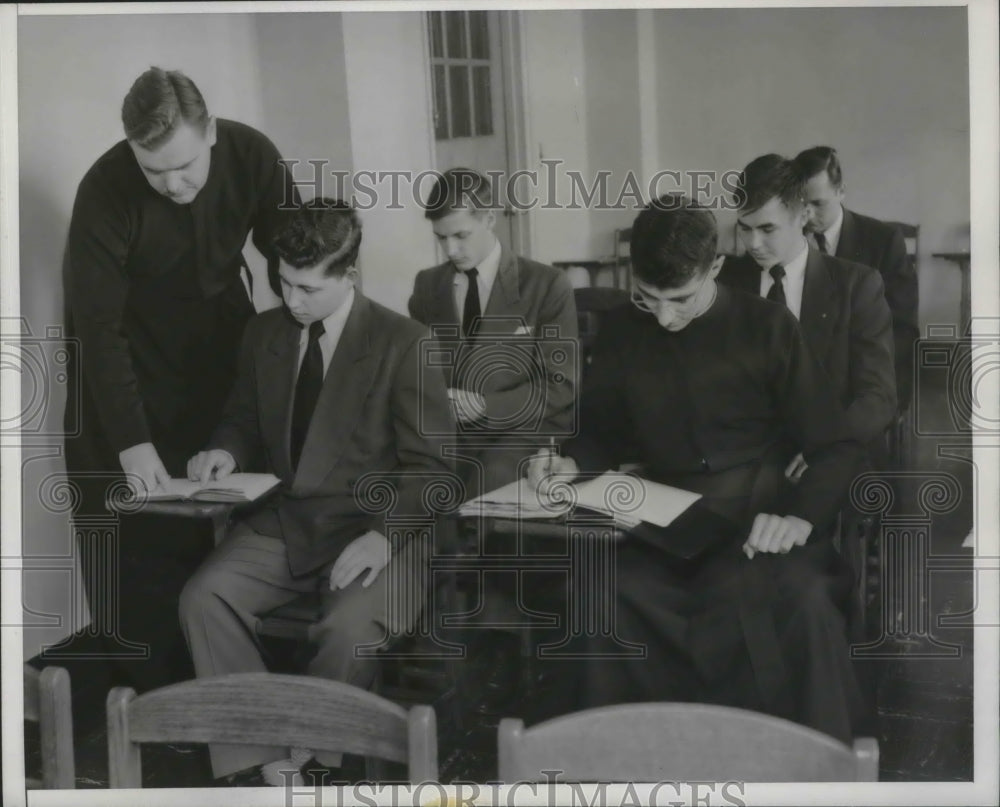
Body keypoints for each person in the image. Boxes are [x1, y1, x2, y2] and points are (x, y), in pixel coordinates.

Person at [527, 196, 867, 744]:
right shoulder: (623, 330)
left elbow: (835, 445)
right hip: (662, 518)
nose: (662, 316)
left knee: (797, 602)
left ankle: (794, 768)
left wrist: (798, 519)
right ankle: (623, 765)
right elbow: (603, 432)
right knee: (600, 593)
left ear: (714, 267)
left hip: (759, 515)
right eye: (647, 296)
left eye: (680, 299)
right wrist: (571, 461)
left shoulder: (768, 326)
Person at [179, 199, 455, 785]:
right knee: (203, 598)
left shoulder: (404, 342)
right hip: (290, 522)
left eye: (307, 287)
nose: (292, 300)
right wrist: (224, 450)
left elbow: (434, 468)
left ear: (348, 275)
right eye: (283, 282)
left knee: (347, 631)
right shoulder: (263, 333)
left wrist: (386, 538)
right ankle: (259, 750)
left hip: (378, 528)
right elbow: (243, 419)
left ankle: (315, 748)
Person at [63, 67, 298, 689]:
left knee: (233, 497)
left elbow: (296, 257)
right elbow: (96, 328)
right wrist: (132, 442)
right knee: (135, 534)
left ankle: (241, 672)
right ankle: (157, 701)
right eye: (154, 169)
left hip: (216, 345)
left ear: (212, 132)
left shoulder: (251, 154)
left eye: (186, 165)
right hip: (122, 363)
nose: (173, 183)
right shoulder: (104, 189)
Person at [720, 153, 896, 477]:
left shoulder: (857, 285)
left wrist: (829, 445)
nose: (753, 243)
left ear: (803, 215)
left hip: (829, 448)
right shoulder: (725, 283)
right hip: (747, 459)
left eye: (767, 228)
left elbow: (878, 396)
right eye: (744, 228)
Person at [408, 168, 578, 497]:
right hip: (451, 433)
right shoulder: (428, 286)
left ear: (488, 218)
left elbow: (562, 386)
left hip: (522, 431)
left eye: (461, 235)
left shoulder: (546, 285)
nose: (451, 250)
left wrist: (487, 406)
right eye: (441, 238)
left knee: (487, 482)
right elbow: (415, 371)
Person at [794, 145, 918, 411]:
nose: (807, 215)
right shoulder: (787, 239)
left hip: (863, 378)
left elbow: (903, 327)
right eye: (800, 204)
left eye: (818, 204)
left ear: (841, 191)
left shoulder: (883, 241)